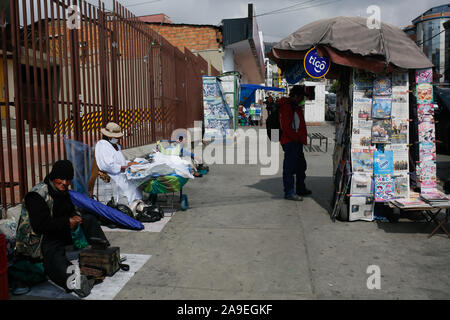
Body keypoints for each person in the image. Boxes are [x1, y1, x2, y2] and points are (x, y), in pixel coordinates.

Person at [20, 160, 110, 297]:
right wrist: (67, 223)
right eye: (61, 178)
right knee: (54, 254)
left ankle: (105, 252)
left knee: (89, 219)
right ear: (53, 177)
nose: (64, 182)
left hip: (56, 230)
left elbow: (69, 210)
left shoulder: (62, 191)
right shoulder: (37, 195)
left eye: (68, 179)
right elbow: (41, 226)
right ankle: (74, 281)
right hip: (38, 239)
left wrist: (76, 217)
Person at [278, 85, 311, 201]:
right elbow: (286, 127)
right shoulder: (288, 106)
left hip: (296, 141)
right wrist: (296, 138)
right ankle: (289, 192)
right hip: (291, 141)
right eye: (301, 96)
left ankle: (300, 188)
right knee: (289, 168)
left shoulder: (295, 106)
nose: (303, 99)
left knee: (301, 166)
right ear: (296, 95)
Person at [95, 122, 142, 205]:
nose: (117, 139)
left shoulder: (116, 146)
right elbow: (106, 165)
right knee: (126, 195)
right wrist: (122, 167)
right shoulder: (102, 145)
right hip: (112, 177)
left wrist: (129, 163)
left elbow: (119, 161)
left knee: (134, 192)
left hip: (122, 175)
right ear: (109, 136)